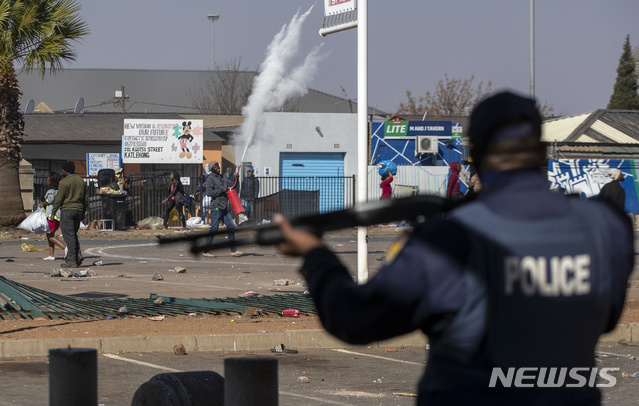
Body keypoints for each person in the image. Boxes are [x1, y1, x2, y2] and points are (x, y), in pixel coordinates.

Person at [273, 91, 634, 405]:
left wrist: (315, 254)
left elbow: (354, 318)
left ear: (475, 156)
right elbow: (606, 317)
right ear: (541, 151)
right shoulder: (606, 228)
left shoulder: (448, 240)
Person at [201, 161, 244, 258]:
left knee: (231, 227)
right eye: (215, 166)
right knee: (214, 229)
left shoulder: (223, 177)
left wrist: (236, 179)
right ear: (212, 169)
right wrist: (221, 190)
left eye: (218, 165)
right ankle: (206, 251)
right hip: (216, 207)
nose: (218, 167)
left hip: (223, 207)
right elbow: (209, 192)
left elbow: (232, 186)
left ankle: (233, 251)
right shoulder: (210, 178)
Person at [52, 161, 87, 269]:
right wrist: (84, 211)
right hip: (79, 210)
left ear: (65, 170)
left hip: (67, 210)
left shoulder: (64, 182)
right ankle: (78, 255)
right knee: (73, 234)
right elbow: (85, 197)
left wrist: (53, 212)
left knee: (69, 236)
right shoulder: (80, 180)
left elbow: (59, 198)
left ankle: (72, 260)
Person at [40, 172, 67, 261]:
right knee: (51, 234)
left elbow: (51, 199)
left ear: (51, 180)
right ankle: (51, 255)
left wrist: (43, 203)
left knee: (50, 235)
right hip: (58, 215)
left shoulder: (50, 190)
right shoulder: (59, 190)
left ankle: (65, 248)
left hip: (52, 215)